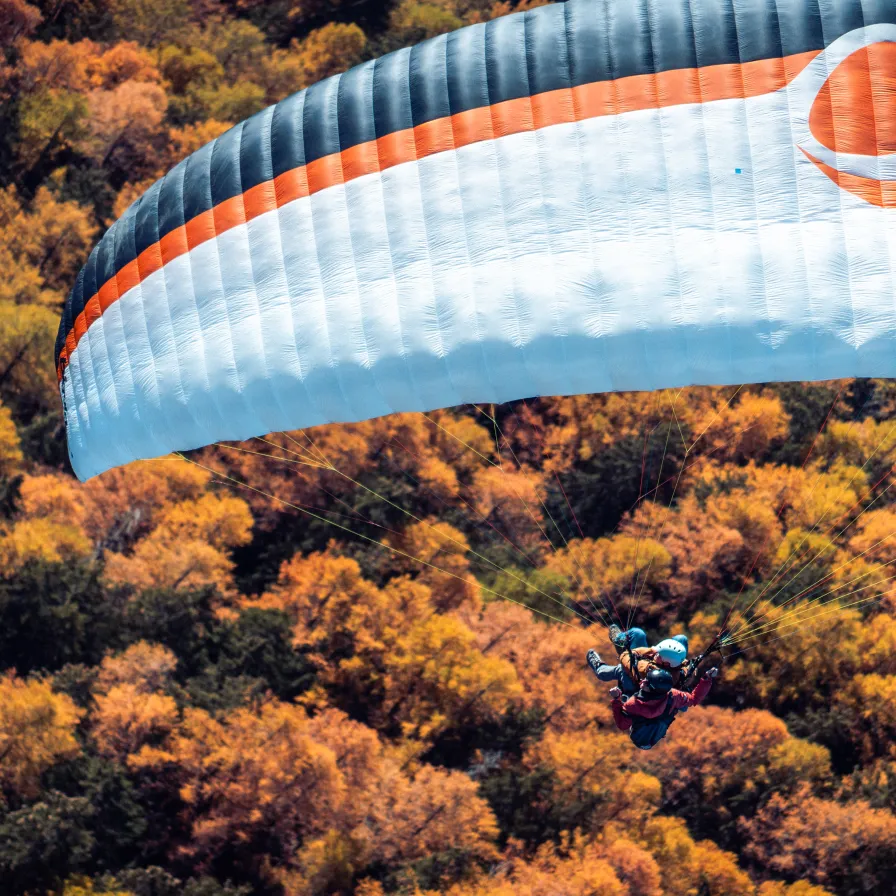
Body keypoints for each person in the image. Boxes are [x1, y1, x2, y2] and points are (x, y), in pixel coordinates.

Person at [610, 666, 719, 749]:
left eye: (647, 682)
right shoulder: (674, 695)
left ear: (653, 689)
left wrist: (616, 700)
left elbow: (622, 725)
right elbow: (694, 699)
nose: (643, 681)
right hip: (653, 735)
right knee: (683, 705)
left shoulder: (632, 704)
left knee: (625, 682)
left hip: (638, 736)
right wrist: (707, 678)